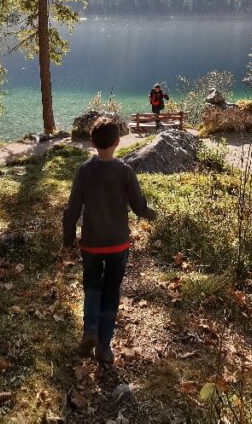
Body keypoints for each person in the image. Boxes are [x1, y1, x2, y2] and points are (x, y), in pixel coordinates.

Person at [62, 117, 158, 365]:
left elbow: (71, 210)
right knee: (111, 292)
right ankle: (104, 347)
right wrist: (153, 214)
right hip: (118, 244)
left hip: (91, 244)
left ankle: (89, 330)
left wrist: (68, 239)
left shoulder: (83, 171)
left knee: (92, 287)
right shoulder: (125, 171)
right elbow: (139, 207)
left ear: (92, 142)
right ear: (118, 142)